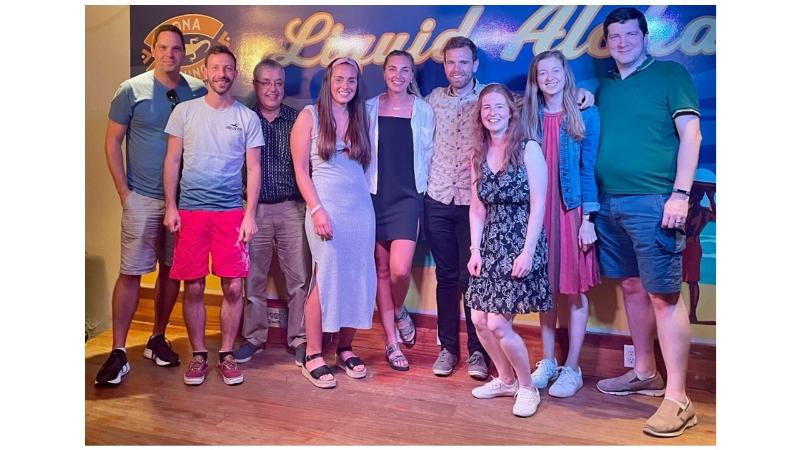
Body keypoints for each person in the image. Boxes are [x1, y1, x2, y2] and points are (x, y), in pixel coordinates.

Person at [593, 7, 702, 437]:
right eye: (614, 36)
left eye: (630, 35)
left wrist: (680, 194)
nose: (622, 42)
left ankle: (679, 399)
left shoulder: (671, 75)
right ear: (607, 42)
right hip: (610, 204)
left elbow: (691, 134)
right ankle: (645, 372)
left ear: (644, 36)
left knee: (664, 297)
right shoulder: (605, 87)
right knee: (632, 286)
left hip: (657, 202)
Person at [95, 24, 207, 387]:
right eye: (163, 47)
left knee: (171, 270)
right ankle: (118, 351)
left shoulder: (198, 90)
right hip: (142, 197)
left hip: (183, 200)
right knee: (131, 272)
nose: (169, 54)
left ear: (184, 54)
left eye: (176, 49)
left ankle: (157, 337)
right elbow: (112, 142)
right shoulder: (131, 90)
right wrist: (124, 192)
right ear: (153, 51)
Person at [163, 45, 264, 386]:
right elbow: (172, 161)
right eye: (216, 67)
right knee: (193, 287)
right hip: (191, 212)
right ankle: (198, 356)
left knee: (233, 287)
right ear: (205, 72)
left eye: (228, 68)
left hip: (231, 213)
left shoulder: (247, 118)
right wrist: (171, 206)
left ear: (235, 73)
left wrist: (249, 215)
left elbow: (254, 168)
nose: (222, 74)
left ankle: (227, 355)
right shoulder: (184, 112)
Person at [465, 83, 551, 418]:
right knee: (478, 319)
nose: (492, 113)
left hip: (520, 242)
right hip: (490, 244)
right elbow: (477, 208)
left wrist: (528, 252)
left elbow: (539, 205)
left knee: (498, 324)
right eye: (486, 107)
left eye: (499, 106)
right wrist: (475, 250)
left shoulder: (529, 149)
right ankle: (505, 380)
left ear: (511, 112)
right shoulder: (478, 153)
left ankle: (527, 387)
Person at [290, 56, 377, 389]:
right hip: (325, 210)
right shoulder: (309, 116)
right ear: (328, 82)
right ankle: (313, 354)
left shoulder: (361, 117)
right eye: (339, 79)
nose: (345, 85)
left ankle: (344, 348)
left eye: (351, 80)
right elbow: (301, 170)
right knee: (324, 278)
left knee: (357, 277)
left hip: (360, 212)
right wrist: (317, 210)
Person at [520, 50, 601, 398]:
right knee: (546, 288)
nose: (550, 78)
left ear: (566, 74)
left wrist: (588, 220)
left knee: (574, 289)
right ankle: (549, 361)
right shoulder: (528, 117)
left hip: (571, 210)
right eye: (543, 73)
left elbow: (588, 169)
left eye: (556, 71)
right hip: (539, 212)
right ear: (535, 80)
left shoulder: (585, 113)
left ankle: (573, 367)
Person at [232, 58, 310, 367]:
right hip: (255, 211)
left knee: (299, 279)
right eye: (266, 83)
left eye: (278, 83)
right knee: (253, 279)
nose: (272, 89)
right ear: (255, 86)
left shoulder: (297, 119)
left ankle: (300, 338)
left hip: (292, 208)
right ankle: (254, 337)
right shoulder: (244, 120)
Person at [424, 36, 490, 379]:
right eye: (451, 62)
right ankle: (448, 349)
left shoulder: (489, 98)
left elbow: (531, 103)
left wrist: (582, 96)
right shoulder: (432, 100)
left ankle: (479, 352)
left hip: (474, 203)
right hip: (437, 198)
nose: (457, 68)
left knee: (472, 277)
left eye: (463, 62)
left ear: (474, 64)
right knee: (446, 277)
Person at [365, 50, 435, 371]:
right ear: (384, 73)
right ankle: (391, 342)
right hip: (374, 197)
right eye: (392, 69)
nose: (398, 75)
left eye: (404, 70)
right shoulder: (368, 108)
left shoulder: (424, 110)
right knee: (380, 270)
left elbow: (429, 153)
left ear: (411, 75)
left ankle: (398, 309)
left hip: (408, 198)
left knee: (399, 270)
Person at [683, 183, 715, 324]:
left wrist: (711, 198)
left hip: (687, 246)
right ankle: (692, 315)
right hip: (692, 246)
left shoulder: (689, 210)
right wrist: (711, 198)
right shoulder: (703, 212)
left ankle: (691, 315)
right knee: (692, 281)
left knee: (690, 281)